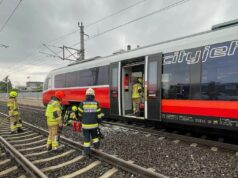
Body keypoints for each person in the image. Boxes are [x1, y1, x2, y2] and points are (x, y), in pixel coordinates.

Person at [78, 88, 103, 156]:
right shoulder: (96, 103)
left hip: (85, 125)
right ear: (93, 95)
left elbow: (79, 113)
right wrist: (99, 121)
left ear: (86, 95)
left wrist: (81, 118)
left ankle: (87, 152)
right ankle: (96, 147)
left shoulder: (82, 103)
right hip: (94, 124)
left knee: (86, 138)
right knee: (95, 137)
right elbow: (99, 114)